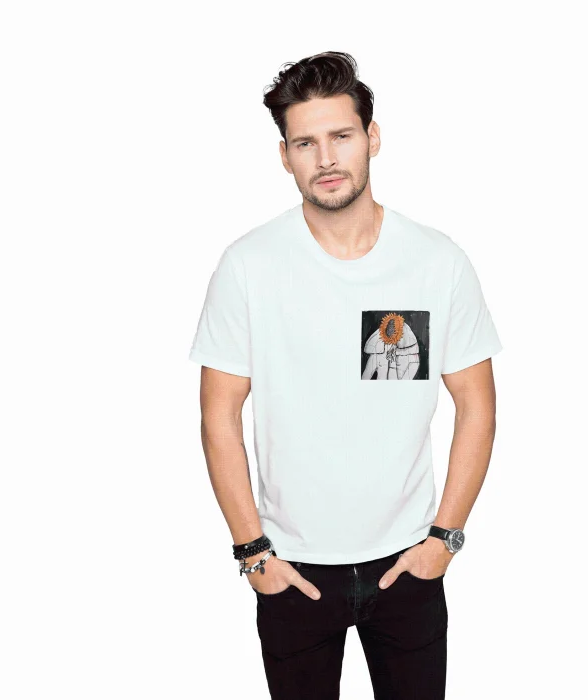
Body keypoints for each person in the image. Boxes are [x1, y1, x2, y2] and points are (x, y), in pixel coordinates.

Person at [188, 51, 503, 700]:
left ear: (373, 138)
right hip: (292, 569)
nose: (326, 158)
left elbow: (476, 405)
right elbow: (219, 414)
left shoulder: (436, 261)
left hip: (408, 564)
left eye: (341, 136)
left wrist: (444, 540)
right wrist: (252, 552)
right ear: (285, 156)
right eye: (305, 143)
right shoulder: (249, 266)